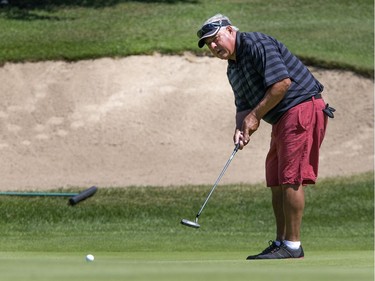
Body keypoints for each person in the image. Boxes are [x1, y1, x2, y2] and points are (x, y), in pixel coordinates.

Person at [196, 14, 334, 259]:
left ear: (229, 30)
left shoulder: (256, 44)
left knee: (291, 177)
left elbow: (282, 83)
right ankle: (281, 242)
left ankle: (292, 246)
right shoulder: (233, 69)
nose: (214, 47)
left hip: (302, 107)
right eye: (209, 44)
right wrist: (241, 128)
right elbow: (242, 106)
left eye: (216, 39)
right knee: (276, 178)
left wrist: (255, 117)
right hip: (282, 118)